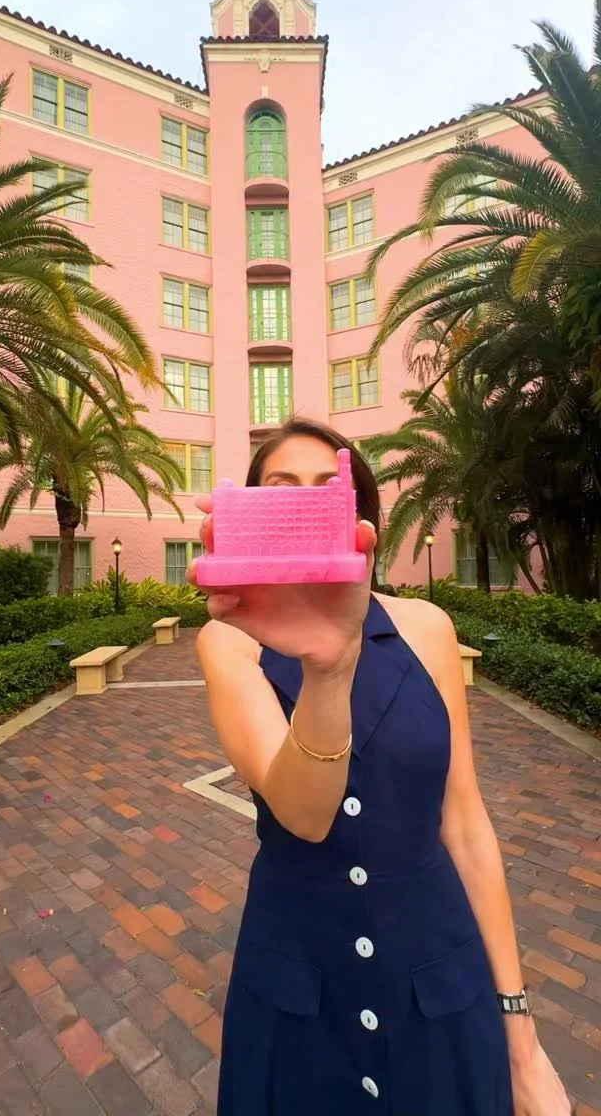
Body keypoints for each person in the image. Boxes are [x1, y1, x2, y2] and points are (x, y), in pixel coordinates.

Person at [188, 418, 571, 1116]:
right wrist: (327, 672)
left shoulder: (427, 628)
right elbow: (304, 816)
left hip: (438, 975)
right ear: (255, 509)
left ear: (359, 519)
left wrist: (522, 1038)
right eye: (283, 490)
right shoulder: (231, 641)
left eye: (326, 491)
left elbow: (466, 826)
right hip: (298, 986)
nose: (305, 506)